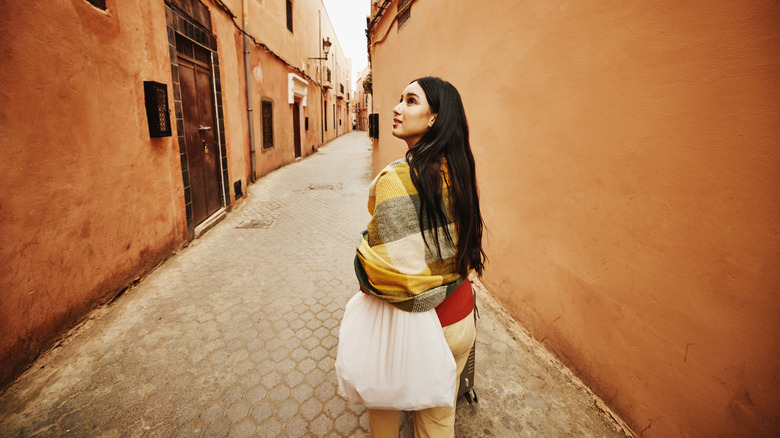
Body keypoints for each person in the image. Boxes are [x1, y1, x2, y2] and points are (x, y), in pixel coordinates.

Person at [354, 77, 486, 437]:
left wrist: (362, 257)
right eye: (400, 99)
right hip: (459, 320)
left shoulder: (395, 179)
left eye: (410, 101)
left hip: (414, 327)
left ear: (433, 119)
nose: (397, 108)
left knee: (382, 404)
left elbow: (382, 270)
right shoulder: (460, 173)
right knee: (438, 422)